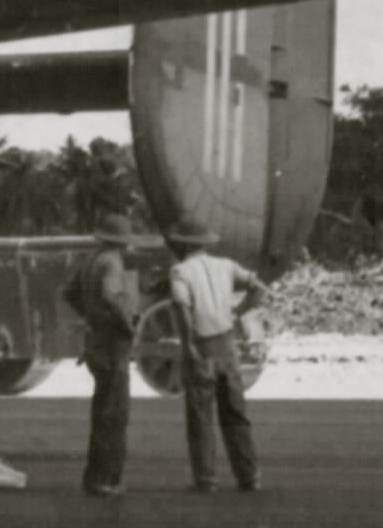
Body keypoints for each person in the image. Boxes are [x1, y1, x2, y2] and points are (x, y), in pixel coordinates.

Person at [164, 223, 269, 493]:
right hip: (227, 345)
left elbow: (182, 308)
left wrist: (188, 345)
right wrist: (238, 312)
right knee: (235, 412)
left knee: (201, 414)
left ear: (184, 244)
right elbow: (259, 288)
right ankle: (249, 475)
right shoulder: (226, 266)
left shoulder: (180, 272)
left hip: (202, 344)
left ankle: (206, 478)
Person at [69, 204, 141, 496]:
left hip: (95, 341)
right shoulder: (112, 262)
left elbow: (70, 292)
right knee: (115, 412)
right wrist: (127, 325)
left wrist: (89, 314)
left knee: (101, 410)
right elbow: (111, 296)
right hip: (113, 343)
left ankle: (94, 476)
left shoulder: (91, 260)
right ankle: (108, 478)